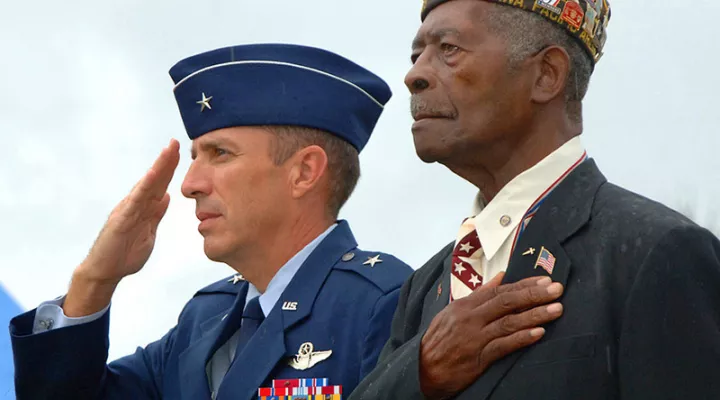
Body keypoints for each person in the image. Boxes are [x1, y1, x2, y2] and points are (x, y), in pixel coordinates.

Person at [349, 0, 720, 399]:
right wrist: (420, 371)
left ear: (547, 74)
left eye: (449, 49)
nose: (414, 75)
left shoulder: (657, 251)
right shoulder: (424, 287)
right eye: (416, 54)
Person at [9, 43, 413, 400]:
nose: (190, 185)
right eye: (194, 157)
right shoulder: (205, 318)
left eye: (220, 153)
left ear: (304, 172)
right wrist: (94, 281)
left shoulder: (387, 303)